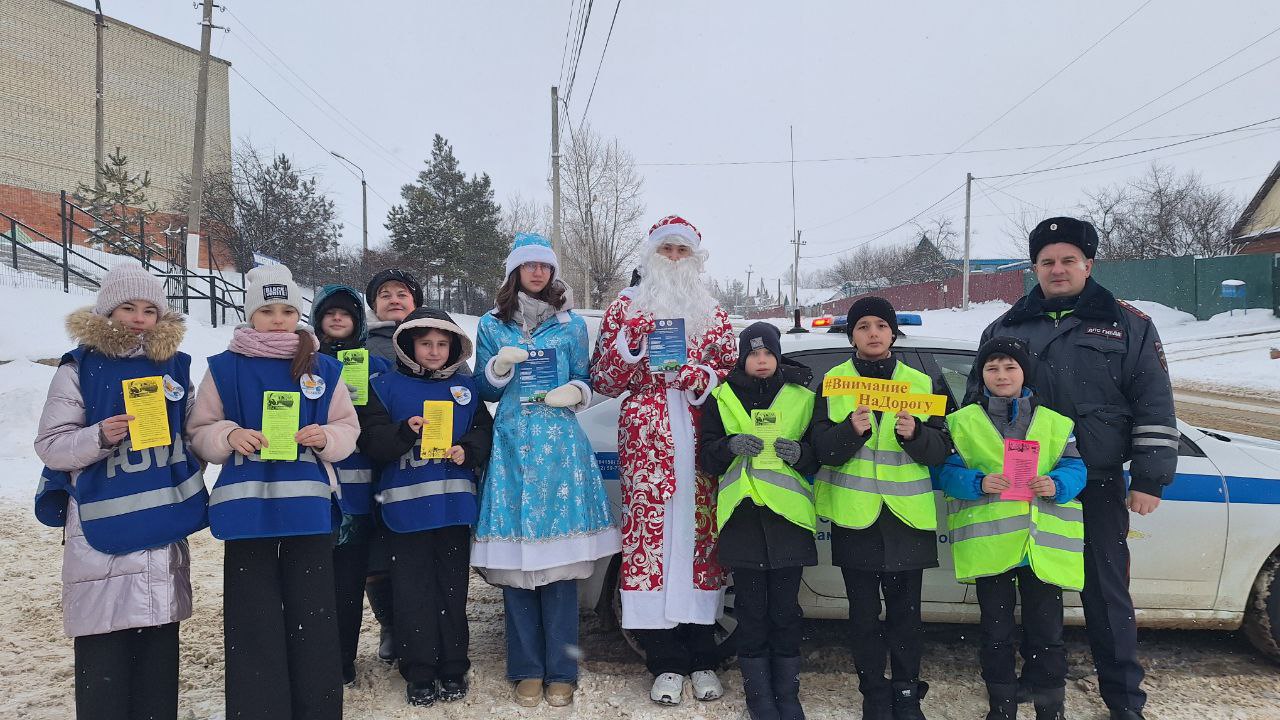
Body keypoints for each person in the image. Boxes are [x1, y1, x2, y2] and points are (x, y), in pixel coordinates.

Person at [968, 217, 1177, 720]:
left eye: (1067, 260)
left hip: (1097, 483)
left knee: (1105, 596)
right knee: (1028, 594)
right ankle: (1030, 695)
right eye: (1046, 261)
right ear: (1034, 267)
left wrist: (1149, 476)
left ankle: (1124, 702)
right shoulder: (1005, 327)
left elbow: (1154, 402)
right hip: (1023, 487)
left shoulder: (1129, 323)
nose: (1057, 269)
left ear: (1089, 264)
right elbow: (973, 406)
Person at [33, 264, 208, 720]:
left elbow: (192, 435)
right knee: (104, 653)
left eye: (150, 309)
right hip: (99, 531)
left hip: (160, 523)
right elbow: (51, 447)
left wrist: (203, 448)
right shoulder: (79, 368)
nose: (138, 317)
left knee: (157, 649)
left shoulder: (173, 369)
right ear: (107, 310)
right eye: (128, 307)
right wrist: (99, 436)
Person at [189, 264, 360, 720]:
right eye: (267, 310)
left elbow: (348, 427)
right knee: (253, 617)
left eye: (287, 309)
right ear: (250, 314)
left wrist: (326, 437)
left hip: (307, 508)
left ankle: (317, 707)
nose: (279, 319)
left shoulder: (323, 367)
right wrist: (227, 436)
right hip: (247, 510)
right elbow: (199, 430)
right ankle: (259, 708)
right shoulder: (225, 368)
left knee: (314, 615)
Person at [591, 215, 738, 706]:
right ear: (650, 255)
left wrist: (701, 377)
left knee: (699, 538)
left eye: (682, 252)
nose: (673, 259)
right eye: (666, 251)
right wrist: (631, 344)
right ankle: (663, 660)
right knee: (650, 537)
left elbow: (729, 372)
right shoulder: (624, 308)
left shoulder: (713, 312)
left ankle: (701, 655)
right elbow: (605, 381)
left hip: (698, 438)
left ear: (694, 259)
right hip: (647, 438)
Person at [471, 233, 621, 708]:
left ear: (553, 272)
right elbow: (485, 391)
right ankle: (526, 669)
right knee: (517, 569)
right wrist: (497, 366)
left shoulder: (572, 325)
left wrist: (575, 393)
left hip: (560, 450)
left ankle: (561, 669)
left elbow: (589, 376)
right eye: (529, 266)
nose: (538, 273)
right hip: (513, 446)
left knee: (559, 570)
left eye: (544, 266)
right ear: (515, 272)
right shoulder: (492, 324)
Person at [808, 296, 951, 720]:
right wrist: (849, 432)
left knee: (907, 617)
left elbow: (943, 449)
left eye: (881, 326)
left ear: (893, 333)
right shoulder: (834, 381)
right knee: (864, 616)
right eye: (863, 325)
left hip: (907, 517)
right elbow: (821, 450)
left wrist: (916, 435)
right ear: (852, 334)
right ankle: (873, 693)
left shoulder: (920, 381)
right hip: (857, 517)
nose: (873, 333)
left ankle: (906, 695)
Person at [936, 337, 1086, 720]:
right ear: (981, 375)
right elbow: (946, 473)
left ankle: (1050, 707)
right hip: (992, 548)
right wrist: (977, 482)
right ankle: (1001, 706)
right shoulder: (962, 421)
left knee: (1047, 633)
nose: (1001, 375)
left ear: (1024, 373)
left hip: (1041, 548)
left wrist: (1059, 484)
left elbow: (1075, 467)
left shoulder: (1055, 422)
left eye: (1009, 367)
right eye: (992, 368)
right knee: (996, 633)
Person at [355, 307, 493, 706]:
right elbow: (373, 442)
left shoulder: (465, 390)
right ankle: (418, 670)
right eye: (426, 343)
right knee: (412, 592)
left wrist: (467, 451)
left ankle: (453, 665)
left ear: (453, 348)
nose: (433, 351)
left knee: (452, 590)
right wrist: (403, 432)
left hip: (453, 507)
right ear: (409, 345)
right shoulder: (385, 387)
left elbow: (484, 432)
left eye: (442, 344)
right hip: (405, 511)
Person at [698, 322, 817, 720]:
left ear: (778, 355)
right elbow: (706, 457)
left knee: (785, 611)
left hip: (788, 519)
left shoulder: (802, 396)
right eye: (753, 353)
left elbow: (821, 453)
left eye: (767, 353)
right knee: (750, 611)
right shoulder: (722, 396)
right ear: (742, 358)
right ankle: (759, 696)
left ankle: (788, 694)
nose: (761, 360)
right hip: (743, 518)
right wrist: (727, 446)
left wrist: (801, 452)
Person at [311, 283, 392, 685]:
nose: (338, 319)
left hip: (360, 495)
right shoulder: (303, 364)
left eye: (346, 313)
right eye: (330, 313)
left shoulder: (374, 365)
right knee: (314, 584)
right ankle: (318, 658)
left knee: (349, 584)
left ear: (358, 320)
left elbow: (384, 418)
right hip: (316, 494)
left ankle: (344, 659)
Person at [361, 267, 424, 664]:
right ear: (373, 305)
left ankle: (423, 621)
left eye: (402, 293)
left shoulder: (435, 339)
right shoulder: (361, 348)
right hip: (371, 458)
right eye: (385, 293)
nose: (394, 299)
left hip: (425, 462)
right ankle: (390, 623)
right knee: (376, 549)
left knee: (419, 546)